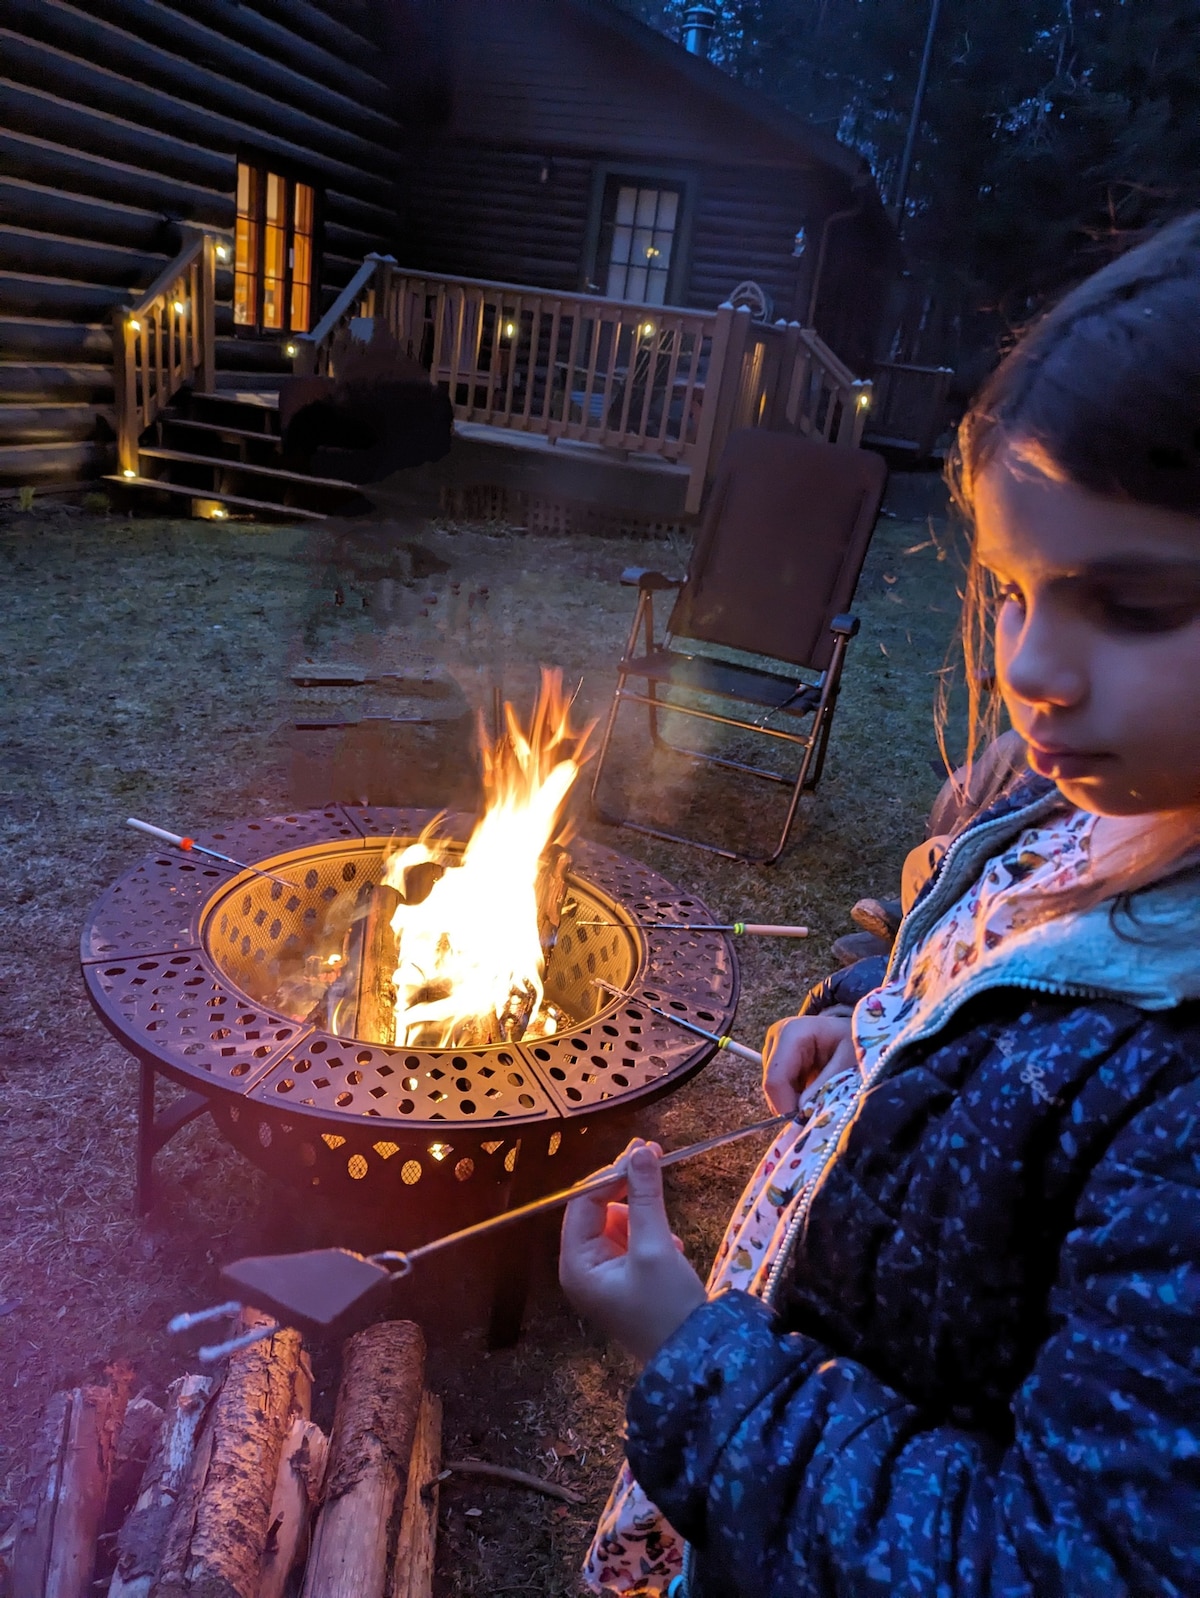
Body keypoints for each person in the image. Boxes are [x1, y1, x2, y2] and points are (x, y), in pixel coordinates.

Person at [559, 211, 1200, 1597]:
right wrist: (867, 1027)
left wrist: (697, 1362)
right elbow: (983, 968)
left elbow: (1058, 1565)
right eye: (1018, 592)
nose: (1033, 667)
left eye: (1133, 604)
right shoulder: (1073, 807)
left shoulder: (1182, 1108)